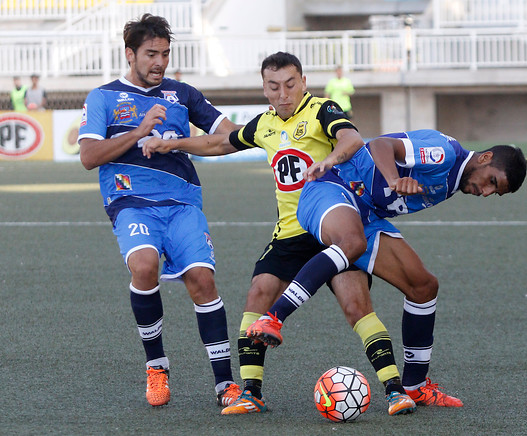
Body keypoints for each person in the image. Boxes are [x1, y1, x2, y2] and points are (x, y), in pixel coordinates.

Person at [142, 51, 417, 417]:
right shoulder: (264, 124)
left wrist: (330, 160)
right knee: (257, 294)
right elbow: (219, 143)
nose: (283, 93)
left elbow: (352, 139)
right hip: (289, 233)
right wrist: (172, 144)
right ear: (265, 88)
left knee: (356, 305)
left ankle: (395, 391)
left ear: (303, 82)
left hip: (332, 226)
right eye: (274, 86)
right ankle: (251, 393)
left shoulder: (321, 109)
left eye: (290, 84)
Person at [247, 130, 527, 406]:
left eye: (495, 192)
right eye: (491, 181)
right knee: (352, 242)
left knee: (424, 286)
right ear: (485, 157)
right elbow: (382, 145)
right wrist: (394, 179)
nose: (486, 192)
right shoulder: (445, 154)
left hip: (365, 214)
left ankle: (416, 386)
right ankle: (273, 317)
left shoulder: (455, 181)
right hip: (331, 188)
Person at [77, 13, 242, 408]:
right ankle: (156, 366)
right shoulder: (103, 97)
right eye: (151, 54)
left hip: (183, 201)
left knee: (202, 279)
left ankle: (225, 385)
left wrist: (179, 142)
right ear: (130, 54)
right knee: (145, 265)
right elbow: (87, 156)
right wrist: (138, 132)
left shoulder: (183, 94)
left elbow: (230, 135)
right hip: (131, 202)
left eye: (165, 54)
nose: (159, 62)